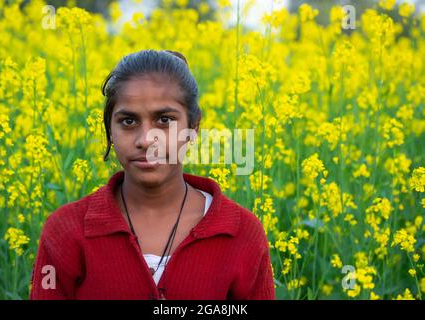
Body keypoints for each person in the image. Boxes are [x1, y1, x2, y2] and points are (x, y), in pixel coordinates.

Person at [29, 49, 275, 300]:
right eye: (128, 121)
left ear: (194, 127)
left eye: (164, 120)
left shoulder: (243, 233)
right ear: (109, 130)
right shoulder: (65, 232)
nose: (146, 140)